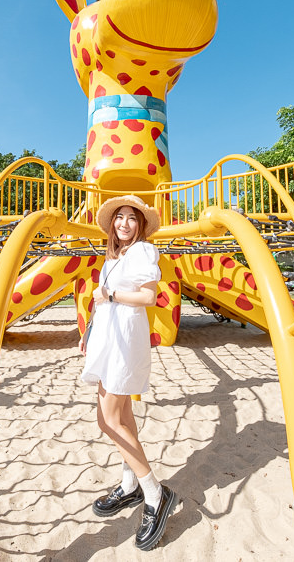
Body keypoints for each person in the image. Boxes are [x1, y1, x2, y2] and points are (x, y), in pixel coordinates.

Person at [80, 194, 178, 551]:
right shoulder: (115, 256)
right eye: (119, 217)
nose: (124, 223)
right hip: (108, 338)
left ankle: (156, 494)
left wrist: (110, 294)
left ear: (140, 224)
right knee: (122, 414)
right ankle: (130, 485)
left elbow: (148, 297)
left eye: (131, 218)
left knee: (107, 421)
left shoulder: (142, 252)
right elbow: (103, 301)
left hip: (123, 342)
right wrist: (90, 331)